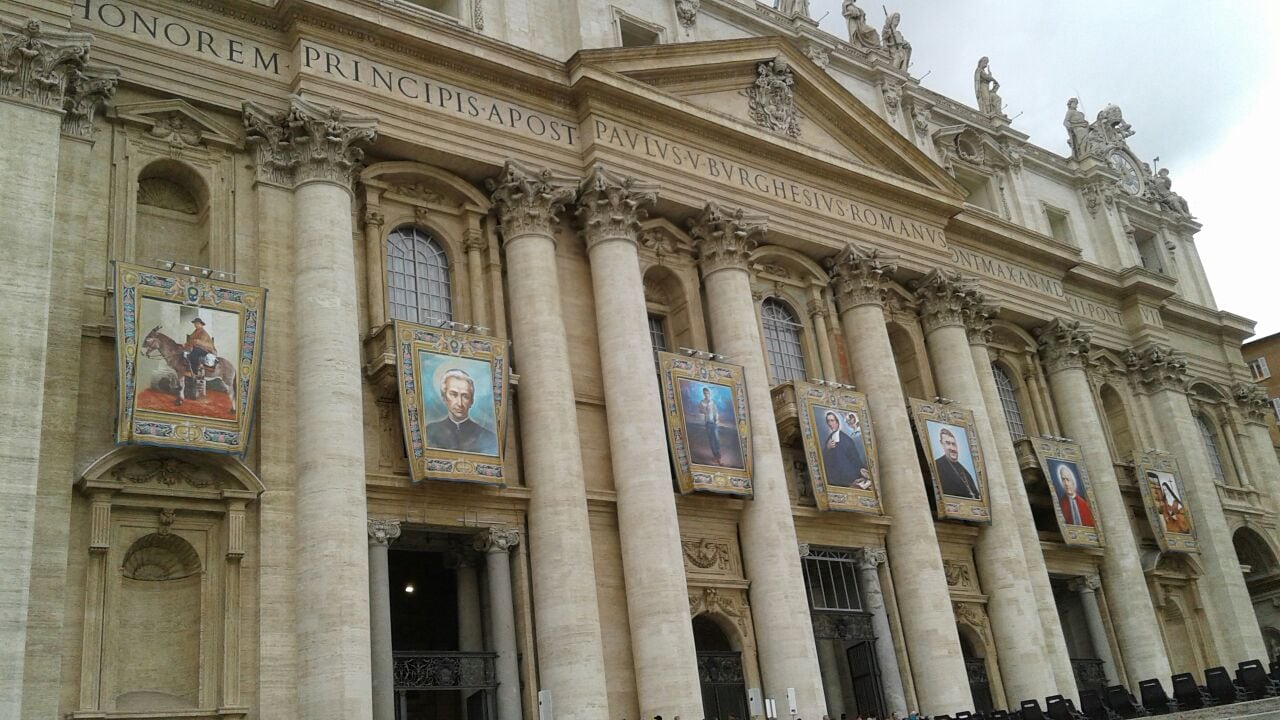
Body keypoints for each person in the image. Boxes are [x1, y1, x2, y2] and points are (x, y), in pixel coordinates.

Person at [424, 368, 498, 454]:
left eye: (465, 396)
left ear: (471, 401)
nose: (460, 403)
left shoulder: (488, 437)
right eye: (454, 395)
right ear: (444, 397)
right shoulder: (430, 432)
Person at [821, 410, 871, 489]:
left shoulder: (847, 439)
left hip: (846, 476)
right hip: (832, 477)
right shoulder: (829, 439)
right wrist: (827, 448)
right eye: (828, 421)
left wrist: (861, 469)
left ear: (837, 422)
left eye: (832, 421)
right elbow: (823, 458)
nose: (830, 424)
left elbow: (854, 458)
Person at [934, 426, 979, 498]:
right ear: (942, 444)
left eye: (954, 444)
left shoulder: (966, 473)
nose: (952, 448)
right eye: (948, 443)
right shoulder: (936, 466)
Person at [699, 386, 722, 463]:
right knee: (711, 440)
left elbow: (716, 412)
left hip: (714, 423)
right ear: (703, 394)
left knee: (717, 439)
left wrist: (717, 420)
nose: (706, 394)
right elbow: (700, 410)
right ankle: (715, 456)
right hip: (708, 423)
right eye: (705, 393)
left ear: (709, 393)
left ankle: (718, 454)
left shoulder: (712, 402)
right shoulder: (702, 402)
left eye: (707, 393)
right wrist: (704, 410)